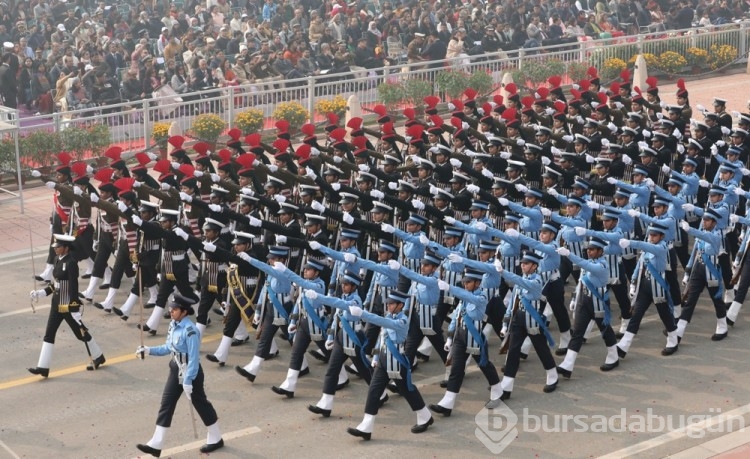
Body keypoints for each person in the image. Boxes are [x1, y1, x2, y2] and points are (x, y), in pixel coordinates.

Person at [135, 295, 224, 457]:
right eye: (171, 308)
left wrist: (189, 380)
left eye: (175, 309)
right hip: (176, 369)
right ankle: (157, 443)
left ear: (184, 312)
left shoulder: (191, 331)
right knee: (166, 403)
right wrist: (149, 351)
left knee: (201, 404)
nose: (171, 311)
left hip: (191, 371)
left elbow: (194, 358)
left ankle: (216, 437)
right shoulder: (173, 325)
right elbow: (168, 347)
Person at [345, 290, 434, 440]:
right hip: (383, 361)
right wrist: (375, 356)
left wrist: (363, 314)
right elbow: (382, 339)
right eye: (388, 303)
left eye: (392, 304)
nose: (389, 306)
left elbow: (384, 323)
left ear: (400, 305)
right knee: (374, 391)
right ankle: (366, 426)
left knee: (407, 390)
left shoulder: (402, 321)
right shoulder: (389, 317)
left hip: (397, 362)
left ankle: (425, 416)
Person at [28, 234, 106, 377]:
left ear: (66, 248)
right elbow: (55, 284)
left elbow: (73, 287)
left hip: (67, 306)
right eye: (55, 247)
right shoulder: (57, 259)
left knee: (80, 333)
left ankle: (98, 356)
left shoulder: (71, 263)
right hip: (56, 305)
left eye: (58, 247)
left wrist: (74, 307)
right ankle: (43, 367)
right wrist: (40, 293)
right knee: (49, 334)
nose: (56, 249)